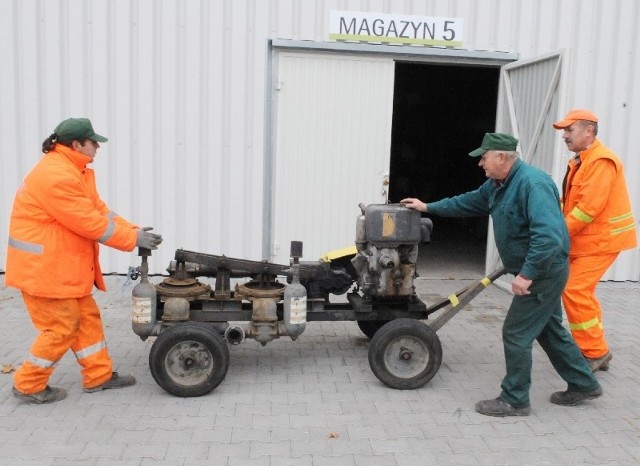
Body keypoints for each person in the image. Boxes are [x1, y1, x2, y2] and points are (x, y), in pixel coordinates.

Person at [401, 132, 601, 417]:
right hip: (535, 270)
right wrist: (427, 207)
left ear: (502, 157)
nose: (481, 163)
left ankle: (515, 399)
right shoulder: (497, 184)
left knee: (516, 332)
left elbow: (549, 237)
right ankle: (584, 383)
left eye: (484, 157)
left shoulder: (532, 183)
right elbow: (467, 202)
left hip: (544, 272)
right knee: (549, 330)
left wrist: (527, 274)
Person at [6, 117, 163, 404]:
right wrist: (131, 241)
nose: (97, 148)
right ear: (77, 144)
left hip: (62, 270)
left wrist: (134, 231)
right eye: (94, 142)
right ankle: (28, 384)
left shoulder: (74, 170)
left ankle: (98, 376)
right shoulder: (56, 176)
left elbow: (100, 211)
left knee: (87, 320)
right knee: (61, 329)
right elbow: (89, 222)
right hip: (44, 273)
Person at [553, 109, 637, 372]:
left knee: (574, 290)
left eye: (570, 130)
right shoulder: (581, 161)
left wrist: (556, 233)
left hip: (600, 241)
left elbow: (588, 209)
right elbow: (570, 204)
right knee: (583, 292)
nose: (565, 136)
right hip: (587, 241)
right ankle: (594, 346)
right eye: (564, 131)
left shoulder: (601, 161)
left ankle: (595, 352)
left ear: (589, 130)